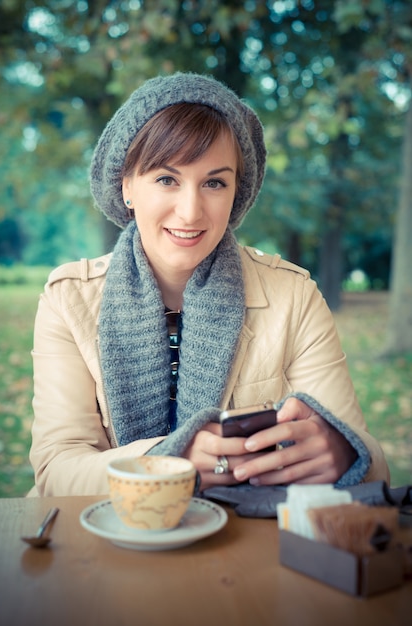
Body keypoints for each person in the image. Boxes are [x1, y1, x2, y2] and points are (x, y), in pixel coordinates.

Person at [28, 72, 389, 497]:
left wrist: (345, 454)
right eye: (167, 179)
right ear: (127, 186)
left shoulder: (293, 297)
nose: (190, 211)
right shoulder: (69, 299)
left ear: (236, 193)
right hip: (104, 545)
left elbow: (375, 466)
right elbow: (56, 472)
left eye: (214, 183)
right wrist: (167, 461)